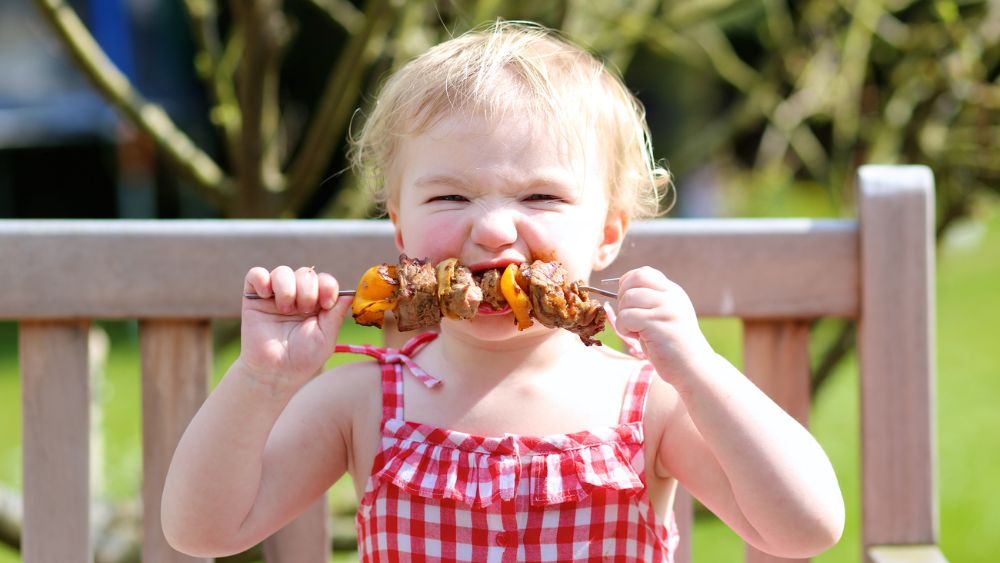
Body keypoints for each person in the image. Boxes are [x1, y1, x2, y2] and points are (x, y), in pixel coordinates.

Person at [162, 21, 844, 562]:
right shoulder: (363, 402)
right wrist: (261, 380)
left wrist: (698, 368)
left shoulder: (650, 404)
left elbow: (804, 527)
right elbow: (202, 530)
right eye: (451, 194)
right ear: (399, 226)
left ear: (607, 233)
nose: (491, 230)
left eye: (540, 195)